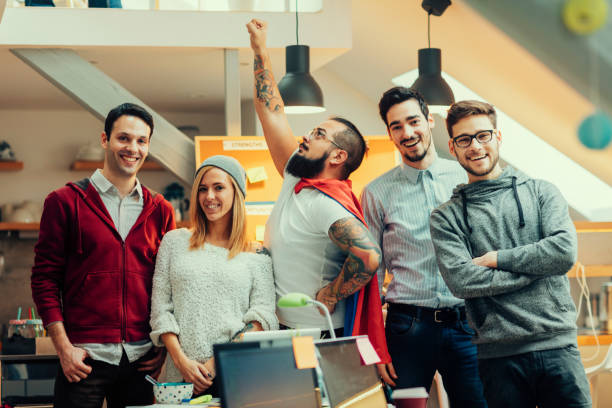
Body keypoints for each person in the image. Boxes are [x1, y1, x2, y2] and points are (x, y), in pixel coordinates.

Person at [246, 18, 390, 366]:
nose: (306, 136)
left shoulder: (327, 203)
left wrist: (330, 293)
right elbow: (272, 112)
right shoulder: (297, 177)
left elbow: (369, 256)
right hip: (287, 329)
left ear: (338, 156)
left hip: (321, 337)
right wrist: (260, 51)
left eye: (319, 134)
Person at [429, 100, 591, 408]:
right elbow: (462, 282)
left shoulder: (542, 192)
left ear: (498, 137)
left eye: (483, 136)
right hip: (497, 359)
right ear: (452, 146)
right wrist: (538, 268)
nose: (475, 147)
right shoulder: (446, 217)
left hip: (558, 349)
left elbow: (563, 253)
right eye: (464, 140)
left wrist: (497, 259)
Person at [31, 102, 175, 408]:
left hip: (141, 360)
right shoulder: (65, 202)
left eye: (141, 140)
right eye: (123, 138)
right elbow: (44, 279)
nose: (132, 148)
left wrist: (163, 346)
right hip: (83, 360)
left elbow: (169, 286)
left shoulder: (161, 210)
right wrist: (63, 348)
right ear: (104, 139)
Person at [360, 87, 486, 405]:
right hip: (407, 329)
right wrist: (376, 345)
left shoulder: (468, 176)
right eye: (396, 126)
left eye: (413, 121)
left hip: (468, 323)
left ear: (430, 120)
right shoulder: (376, 193)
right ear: (389, 133)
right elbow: (371, 276)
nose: (407, 132)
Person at [149, 155, 278, 396]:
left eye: (219, 188)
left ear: (236, 193)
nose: (209, 196)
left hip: (236, 373)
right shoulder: (174, 242)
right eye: (203, 189)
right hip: (179, 375)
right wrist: (180, 361)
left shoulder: (257, 255)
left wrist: (213, 365)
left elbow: (263, 318)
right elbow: (160, 311)